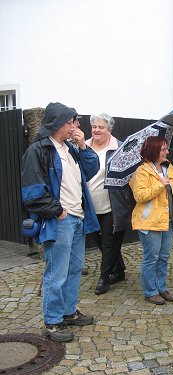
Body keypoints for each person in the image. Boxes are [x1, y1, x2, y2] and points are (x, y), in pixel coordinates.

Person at [21, 102, 100, 342]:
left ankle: (68, 312)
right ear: (57, 124)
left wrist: (83, 145)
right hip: (61, 221)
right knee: (57, 272)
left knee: (74, 268)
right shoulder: (39, 150)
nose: (75, 126)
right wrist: (58, 212)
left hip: (77, 219)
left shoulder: (69, 148)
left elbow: (92, 169)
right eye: (71, 122)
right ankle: (53, 321)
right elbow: (32, 192)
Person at [129, 136, 173, 305]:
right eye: (163, 149)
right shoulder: (142, 171)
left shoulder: (169, 169)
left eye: (167, 148)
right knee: (151, 257)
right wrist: (159, 185)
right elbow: (140, 196)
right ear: (153, 151)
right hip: (149, 222)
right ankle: (150, 291)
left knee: (164, 257)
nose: (167, 152)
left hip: (168, 220)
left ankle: (161, 287)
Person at [85, 113, 130, 295]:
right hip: (90, 206)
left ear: (109, 129)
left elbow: (128, 174)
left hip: (113, 204)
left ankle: (104, 278)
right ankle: (119, 270)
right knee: (101, 243)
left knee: (110, 242)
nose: (97, 130)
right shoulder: (83, 147)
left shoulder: (119, 148)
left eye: (101, 127)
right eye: (94, 126)